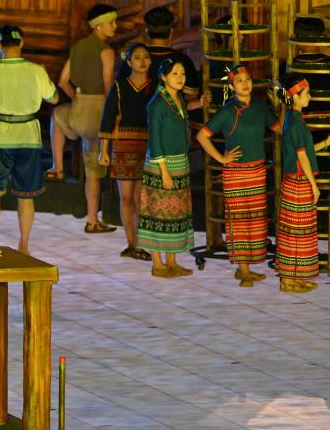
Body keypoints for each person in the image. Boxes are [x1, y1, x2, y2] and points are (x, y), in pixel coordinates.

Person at [0, 25, 58, 253]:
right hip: (29, 137)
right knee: (26, 195)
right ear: (22, 43)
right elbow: (54, 98)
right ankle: (24, 245)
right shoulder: (36, 70)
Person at [197, 65, 281, 287]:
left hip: (257, 172)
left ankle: (247, 268)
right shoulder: (227, 111)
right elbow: (202, 136)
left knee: (256, 220)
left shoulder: (261, 107)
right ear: (232, 87)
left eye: (248, 79)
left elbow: (281, 129)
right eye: (239, 81)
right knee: (240, 220)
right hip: (235, 174)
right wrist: (221, 158)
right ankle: (243, 270)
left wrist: (282, 103)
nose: (245, 83)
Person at [48, 3, 118, 234]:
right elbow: (108, 83)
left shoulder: (77, 47)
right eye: (111, 22)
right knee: (93, 172)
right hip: (97, 113)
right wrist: (111, 112)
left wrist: (78, 100)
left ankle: (58, 167)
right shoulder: (106, 52)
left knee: (58, 115)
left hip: (78, 109)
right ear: (98, 26)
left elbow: (62, 82)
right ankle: (92, 220)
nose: (115, 26)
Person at [137, 57, 206, 277]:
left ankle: (172, 262)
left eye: (182, 74)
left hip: (179, 163)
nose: (180, 78)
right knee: (158, 214)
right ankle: (158, 265)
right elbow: (155, 141)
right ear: (163, 77)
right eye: (175, 74)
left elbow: (183, 112)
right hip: (162, 165)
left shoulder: (178, 98)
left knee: (175, 214)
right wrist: (164, 172)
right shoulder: (157, 105)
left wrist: (200, 103)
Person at [98, 44, 154, 261]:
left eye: (146, 57)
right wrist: (104, 150)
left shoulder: (155, 86)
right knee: (126, 196)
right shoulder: (120, 86)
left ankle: (141, 244)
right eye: (137, 57)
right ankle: (131, 243)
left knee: (141, 198)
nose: (142, 61)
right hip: (123, 145)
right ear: (129, 62)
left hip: (147, 146)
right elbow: (108, 117)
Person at [276, 77, 328, 293]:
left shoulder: (293, 117)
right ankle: (287, 281)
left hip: (297, 181)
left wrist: (325, 143)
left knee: (299, 232)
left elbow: (304, 151)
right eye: (306, 93)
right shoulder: (295, 122)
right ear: (295, 97)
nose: (310, 96)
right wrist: (314, 185)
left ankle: (293, 278)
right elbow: (302, 157)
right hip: (298, 183)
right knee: (294, 232)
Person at [142, 6, 201, 99]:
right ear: (171, 32)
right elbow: (191, 98)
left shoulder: (131, 60)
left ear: (146, 32)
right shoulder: (183, 60)